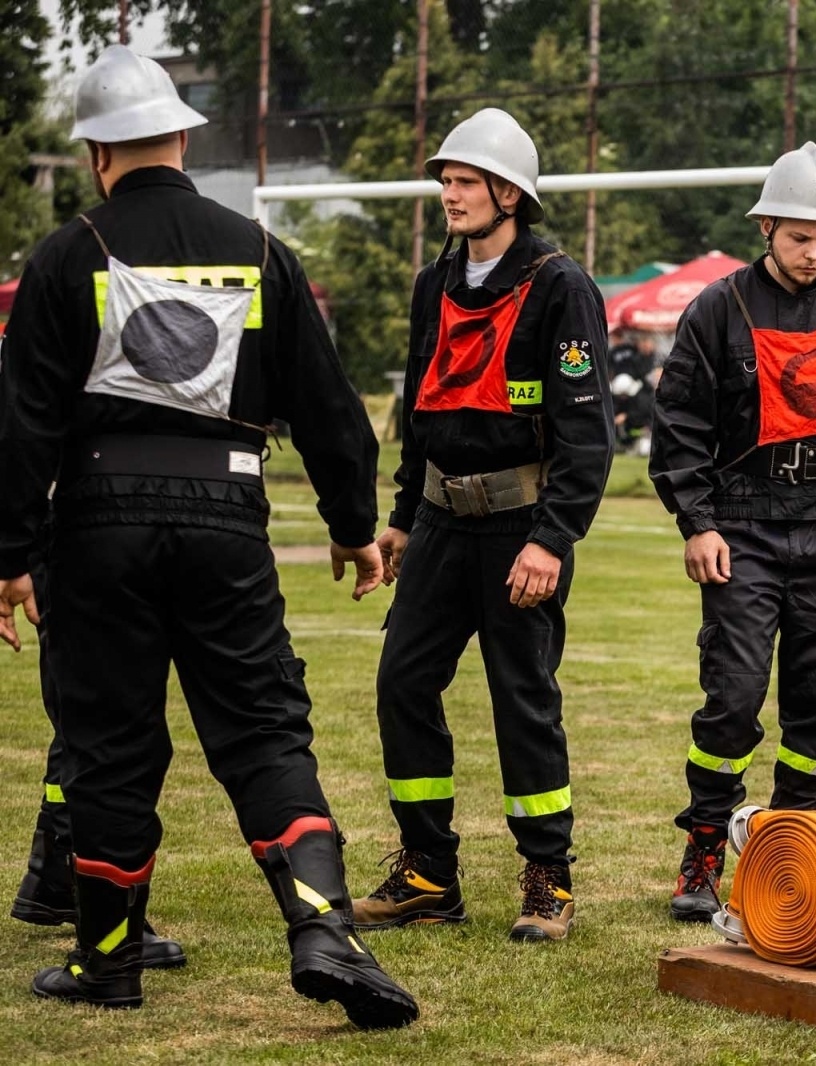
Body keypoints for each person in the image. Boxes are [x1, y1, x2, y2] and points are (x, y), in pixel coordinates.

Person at [0, 45, 415, 1027]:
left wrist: (10, 556)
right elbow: (331, 410)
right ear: (182, 140)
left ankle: (108, 963)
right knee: (263, 729)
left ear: (98, 153)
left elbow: (19, 426)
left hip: (97, 525)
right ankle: (323, 928)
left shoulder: (65, 256)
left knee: (108, 744)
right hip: (227, 517)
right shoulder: (262, 252)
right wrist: (353, 527)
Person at [351, 108, 613, 943]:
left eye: (465, 182)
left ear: (509, 193)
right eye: (446, 181)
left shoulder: (561, 286)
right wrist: (401, 517)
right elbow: (420, 409)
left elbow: (587, 436)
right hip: (436, 522)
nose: (450, 195)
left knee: (522, 700)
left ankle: (548, 877)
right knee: (402, 683)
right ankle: (429, 871)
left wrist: (552, 539)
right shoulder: (433, 282)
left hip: (520, 529)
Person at [649, 141, 816, 923]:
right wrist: (697, 523)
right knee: (731, 700)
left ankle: (789, 855)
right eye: (799, 237)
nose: (813, 253)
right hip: (742, 532)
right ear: (765, 226)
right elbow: (679, 426)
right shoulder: (716, 308)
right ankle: (703, 851)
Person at [11, 555, 186, 973]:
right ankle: (99, 913)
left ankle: (55, 873)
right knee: (100, 729)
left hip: (67, 550)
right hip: (76, 549)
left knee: (83, 722)